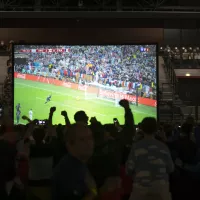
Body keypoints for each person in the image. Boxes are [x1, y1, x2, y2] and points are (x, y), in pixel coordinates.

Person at [126, 117, 174, 200]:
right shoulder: (163, 147)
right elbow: (171, 169)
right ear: (156, 129)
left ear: (142, 129)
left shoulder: (136, 147)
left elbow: (128, 170)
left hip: (140, 190)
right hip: (161, 191)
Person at [52, 123, 96, 200]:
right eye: (82, 139)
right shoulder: (68, 170)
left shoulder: (78, 163)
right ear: (69, 145)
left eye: (90, 138)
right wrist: (94, 192)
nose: (89, 143)